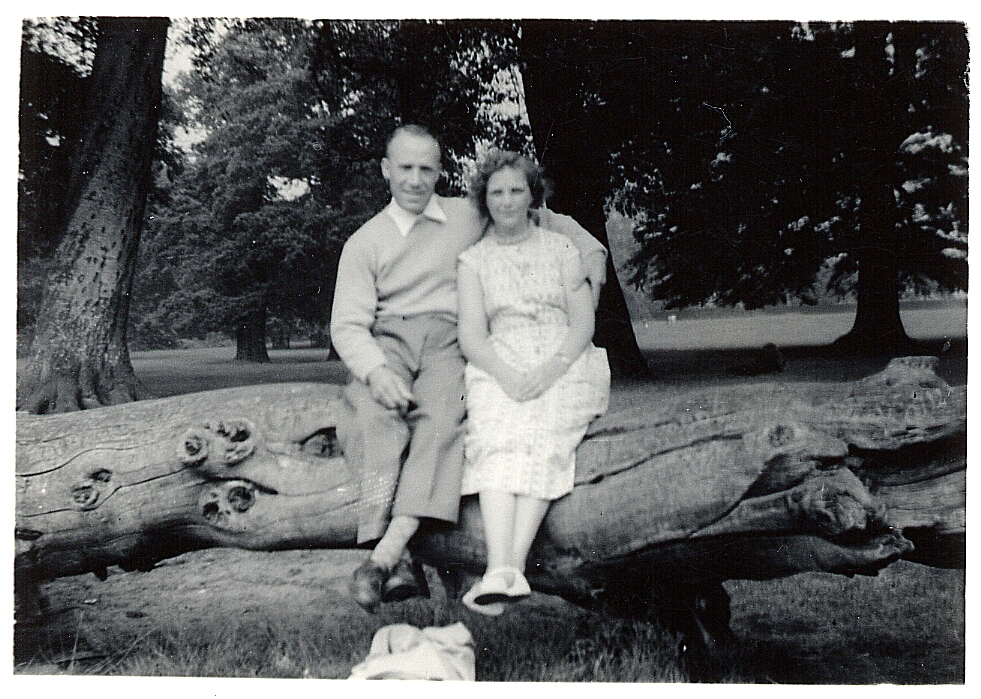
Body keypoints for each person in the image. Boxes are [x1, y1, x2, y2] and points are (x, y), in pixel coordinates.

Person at [331, 125, 608, 612]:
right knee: (373, 420)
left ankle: (388, 557)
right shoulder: (364, 242)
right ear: (385, 170)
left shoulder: (466, 213)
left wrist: (593, 255)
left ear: (440, 172)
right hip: (387, 341)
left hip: (447, 340)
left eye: (426, 169)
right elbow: (347, 325)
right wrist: (375, 371)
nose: (415, 180)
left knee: (441, 422)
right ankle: (392, 553)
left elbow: (546, 218)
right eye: (405, 168)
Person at [455, 150, 611, 615]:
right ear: (484, 199)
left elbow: (583, 322)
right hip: (498, 361)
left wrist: (551, 368)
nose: (506, 201)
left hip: (565, 358)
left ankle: (505, 567)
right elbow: (472, 336)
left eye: (515, 190)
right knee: (497, 433)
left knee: (543, 431)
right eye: (496, 192)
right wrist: (507, 376)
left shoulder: (561, 249)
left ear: (532, 195)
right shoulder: (473, 261)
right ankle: (505, 571)